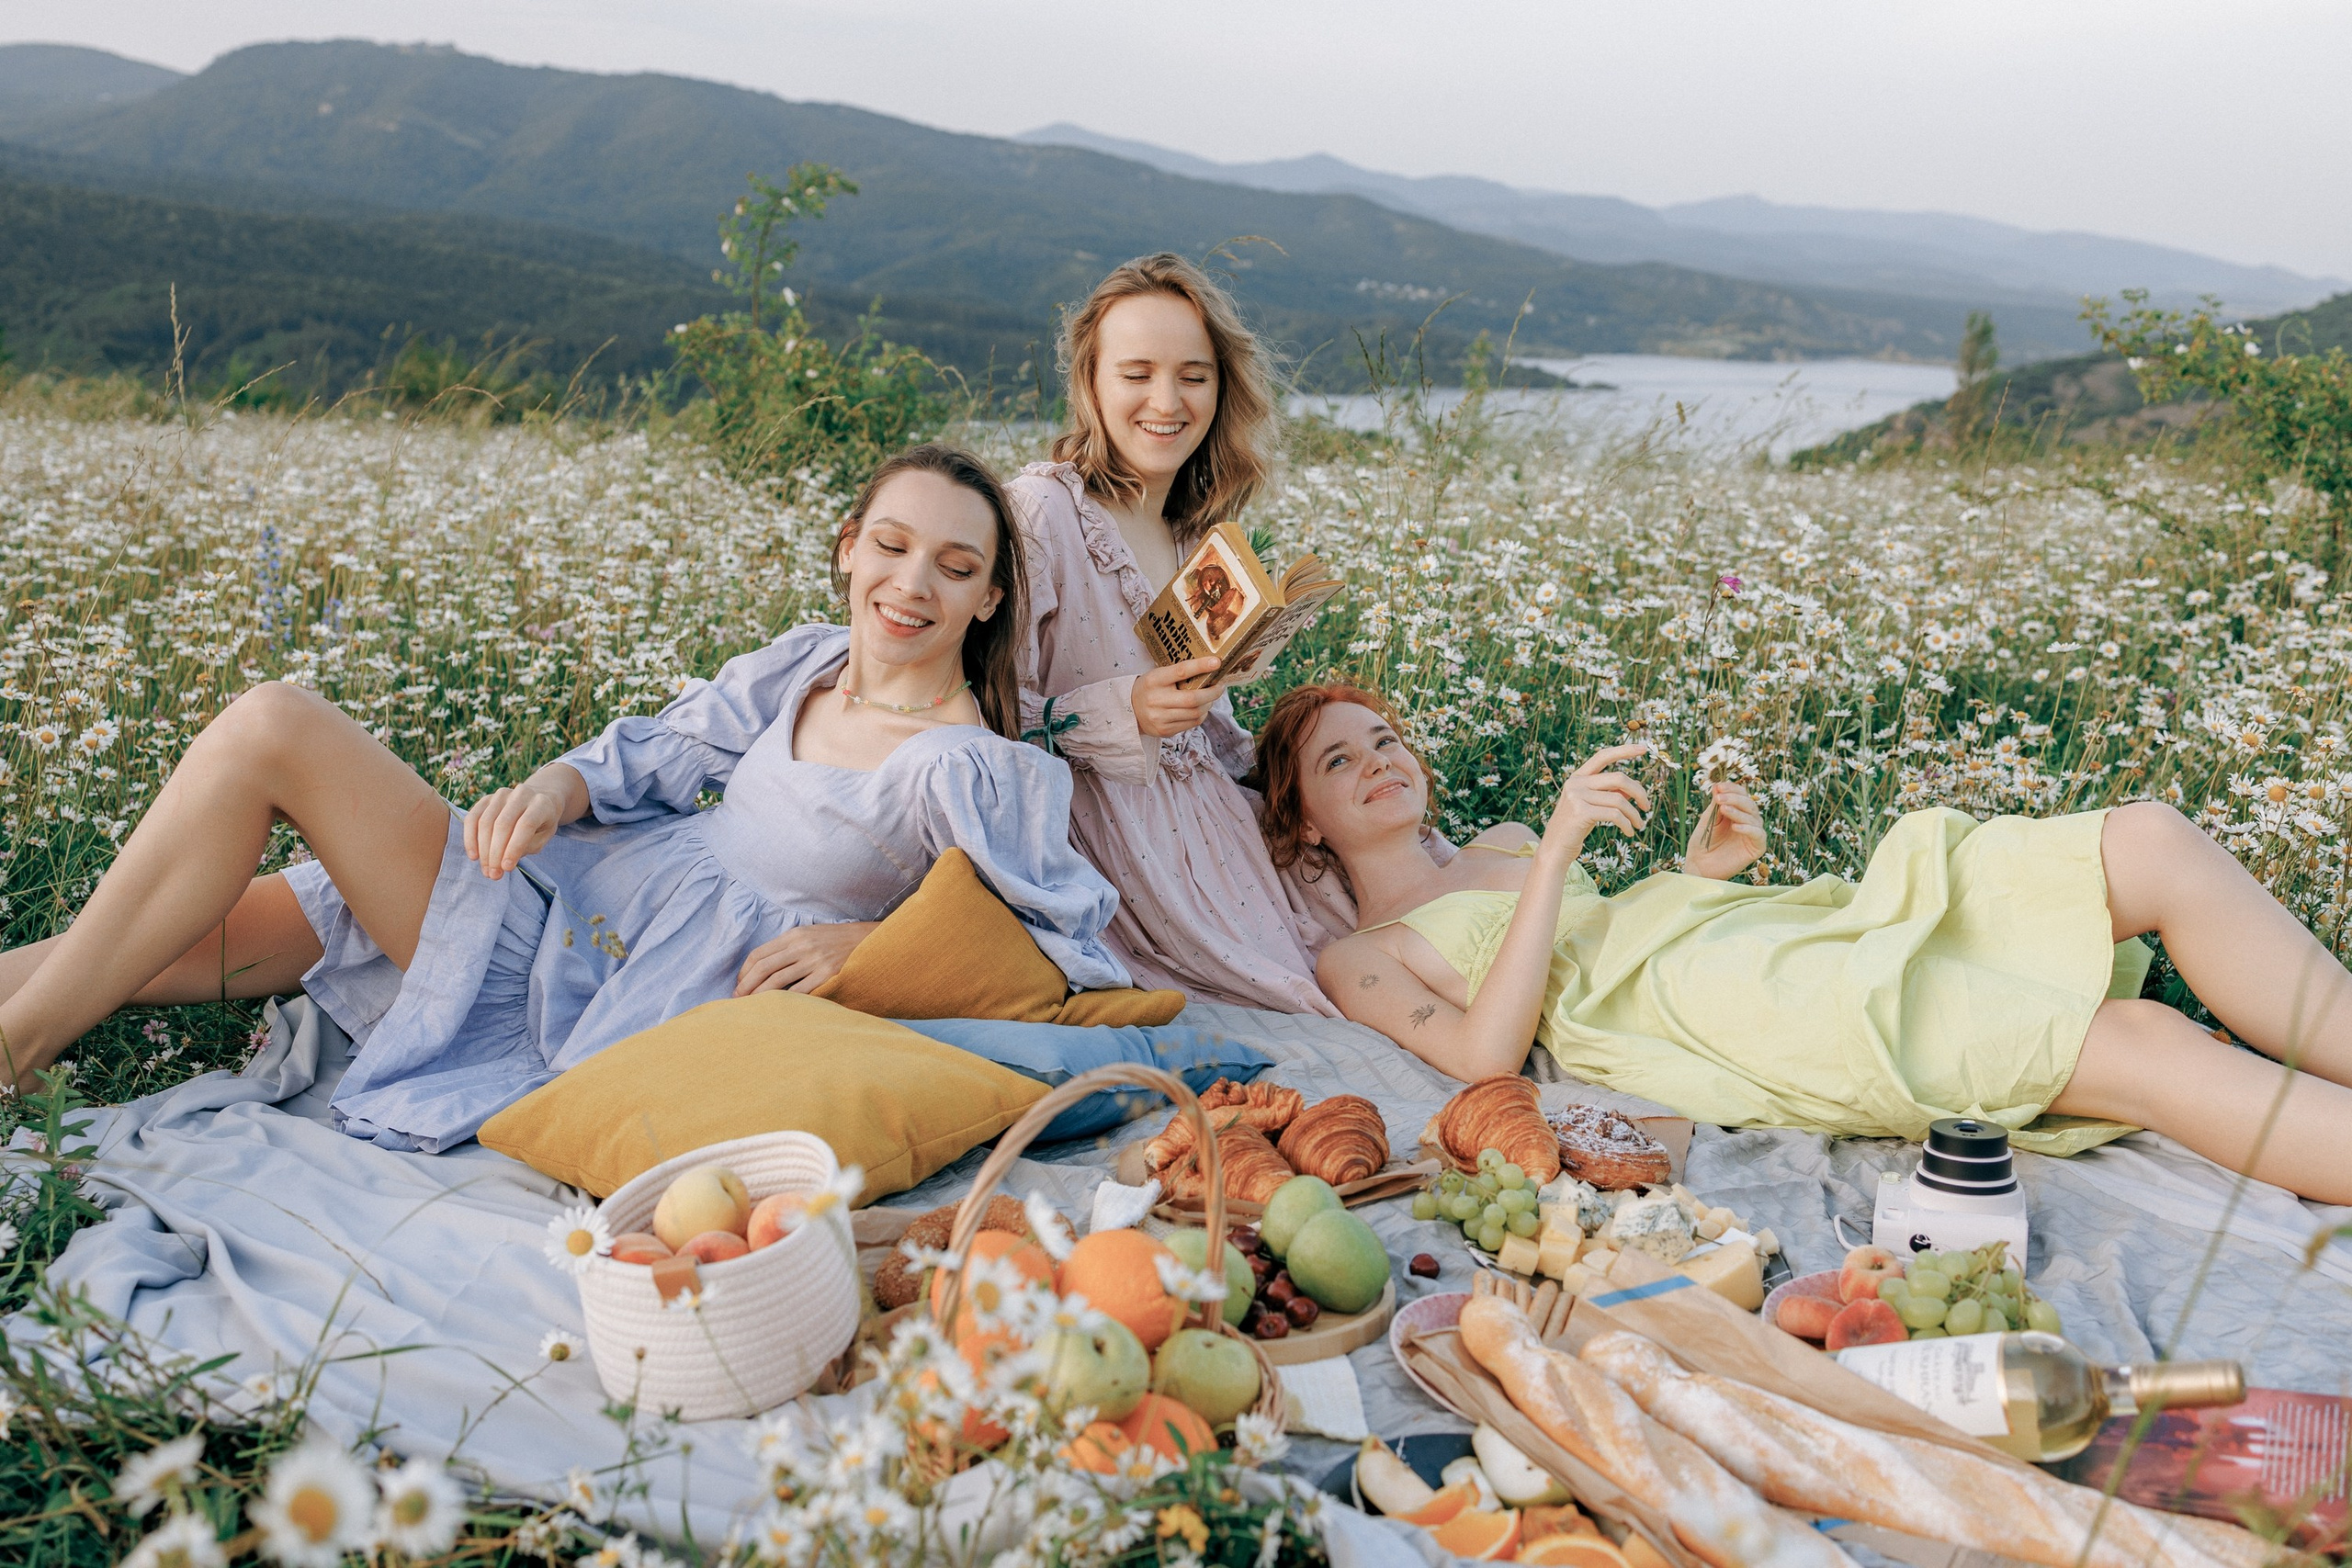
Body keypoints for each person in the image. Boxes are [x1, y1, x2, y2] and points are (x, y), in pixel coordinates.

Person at [0, 445, 1128, 1151]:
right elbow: (658, 750)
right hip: (554, 886)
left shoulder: (964, 764)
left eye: (955, 566)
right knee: (135, 944)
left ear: (988, 601)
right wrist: (558, 780)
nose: (912, 584)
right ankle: (19, 1032)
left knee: (271, 727)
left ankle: (17, 1059)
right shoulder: (806, 663)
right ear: (848, 551)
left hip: (591, 985)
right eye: (891, 545)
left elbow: (1064, 952)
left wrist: (864, 948)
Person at [1255, 682, 2352, 1203]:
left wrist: (1695, 876)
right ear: (1303, 819)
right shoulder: (1362, 953)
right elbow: (1493, 1052)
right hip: (1709, 1008)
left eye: (1385, 737)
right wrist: (1551, 861)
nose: (1379, 760)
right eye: (1340, 763)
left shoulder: (1492, 838)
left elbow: (1612, 931)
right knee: (2138, 1041)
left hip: (1746, 936)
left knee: (2151, 840)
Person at [1005, 253, 1358, 1014]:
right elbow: (975, 718)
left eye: (1193, 376)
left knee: (1394, 908)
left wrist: (1237, 693)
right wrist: (1119, 711)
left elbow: (1204, 735)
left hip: (1216, 830)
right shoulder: (1040, 513)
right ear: (1091, 382)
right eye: (1137, 373)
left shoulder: (1194, 533)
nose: (1167, 401)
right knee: (1319, 1001)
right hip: (1115, 847)